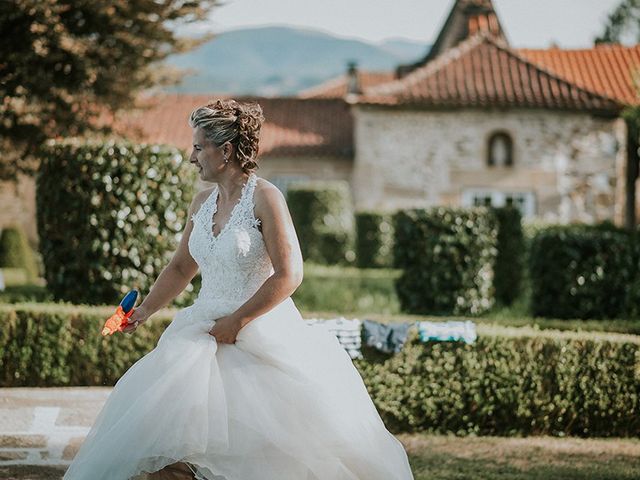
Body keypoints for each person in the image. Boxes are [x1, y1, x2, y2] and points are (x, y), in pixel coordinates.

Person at [63, 99, 414, 480]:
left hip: (258, 332)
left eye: (198, 147)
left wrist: (238, 320)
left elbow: (289, 274)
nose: (192, 156)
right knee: (165, 448)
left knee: (261, 454)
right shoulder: (202, 202)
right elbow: (182, 266)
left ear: (225, 150)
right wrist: (144, 311)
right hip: (201, 331)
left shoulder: (266, 197)